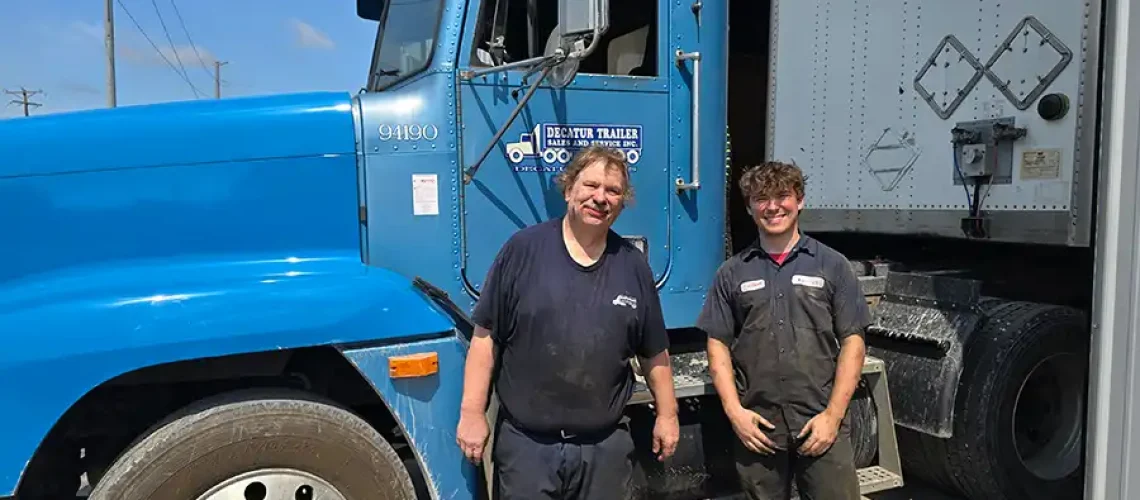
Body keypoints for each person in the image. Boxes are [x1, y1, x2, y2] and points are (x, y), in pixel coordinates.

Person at [455, 145, 680, 500]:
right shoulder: (522, 251)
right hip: (528, 450)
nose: (600, 198)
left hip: (605, 450)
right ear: (568, 189)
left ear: (622, 203)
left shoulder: (633, 265)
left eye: (613, 191)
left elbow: (654, 353)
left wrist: (668, 415)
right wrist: (471, 412)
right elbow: (485, 339)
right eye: (591, 185)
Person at [697, 161, 870, 500]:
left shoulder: (833, 265)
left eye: (782, 196)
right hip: (759, 428)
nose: (773, 206)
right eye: (761, 198)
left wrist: (833, 416)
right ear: (749, 208)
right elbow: (717, 345)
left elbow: (854, 342)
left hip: (821, 423)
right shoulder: (732, 273)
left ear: (800, 200)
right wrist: (736, 414)